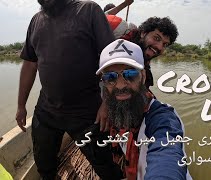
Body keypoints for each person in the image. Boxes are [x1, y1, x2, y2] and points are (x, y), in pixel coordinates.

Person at [15, 0, 122, 179]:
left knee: (105, 166)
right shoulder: (35, 21)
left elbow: (112, 61)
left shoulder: (88, 10)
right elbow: (30, 64)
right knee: (44, 164)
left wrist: (107, 102)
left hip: (87, 112)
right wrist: (20, 105)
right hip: (46, 111)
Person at [96, 39, 192, 180]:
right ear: (104, 82)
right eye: (111, 77)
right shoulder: (117, 109)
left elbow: (167, 156)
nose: (120, 85)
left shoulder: (162, 119)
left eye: (130, 75)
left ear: (143, 77)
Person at [121, 16, 178, 90]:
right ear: (143, 33)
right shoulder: (121, 53)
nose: (160, 47)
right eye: (157, 38)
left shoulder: (143, 54)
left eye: (165, 44)